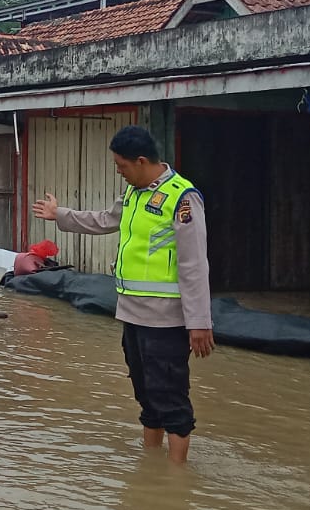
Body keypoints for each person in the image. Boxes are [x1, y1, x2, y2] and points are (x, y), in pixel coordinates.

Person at [32, 125, 213, 465]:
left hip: (166, 318)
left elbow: (194, 265)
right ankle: (151, 467)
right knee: (145, 392)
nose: (119, 172)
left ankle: (176, 480)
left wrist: (199, 322)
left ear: (141, 161)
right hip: (132, 314)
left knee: (170, 394)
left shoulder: (182, 198)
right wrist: (60, 215)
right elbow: (104, 220)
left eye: (122, 166)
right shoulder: (133, 193)